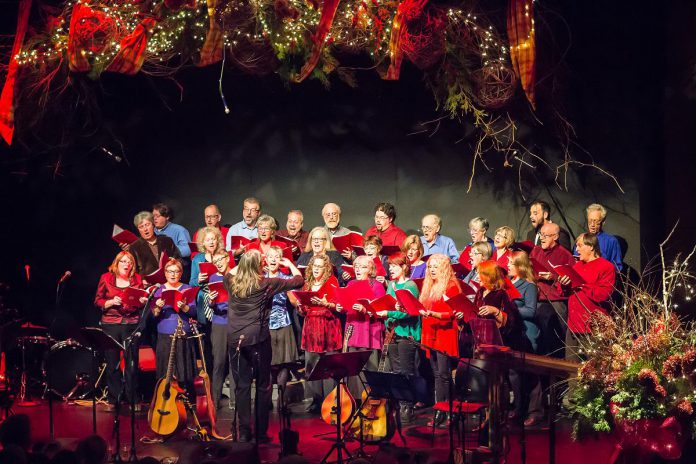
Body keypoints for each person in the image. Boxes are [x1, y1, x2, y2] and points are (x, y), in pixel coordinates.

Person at [225, 250, 304, 443]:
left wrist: (245, 260)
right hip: (258, 340)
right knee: (263, 385)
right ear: (259, 266)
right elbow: (298, 280)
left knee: (242, 386)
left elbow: (229, 271)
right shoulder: (266, 283)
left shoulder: (230, 281)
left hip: (235, 340)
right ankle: (260, 433)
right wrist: (288, 262)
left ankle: (244, 432)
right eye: (261, 262)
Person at [94, 251, 148, 411]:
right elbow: (97, 300)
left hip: (131, 323)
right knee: (112, 363)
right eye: (123, 261)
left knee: (131, 362)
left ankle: (133, 398)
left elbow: (140, 301)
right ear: (116, 264)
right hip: (111, 323)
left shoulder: (137, 279)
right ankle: (113, 399)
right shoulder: (106, 278)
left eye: (129, 262)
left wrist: (143, 301)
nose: (126, 264)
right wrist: (110, 302)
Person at [288, 254, 342, 412]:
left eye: (320, 266)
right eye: (315, 266)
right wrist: (300, 305)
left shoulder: (332, 282)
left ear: (326, 268)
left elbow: (338, 305)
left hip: (328, 328)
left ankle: (330, 400)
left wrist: (327, 303)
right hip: (311, 328)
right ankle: (316, 400)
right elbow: (304, 309)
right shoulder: (308, 283)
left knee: (328, 365)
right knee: (312, 365)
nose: (317, 269)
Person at [375, 252, 420, 423]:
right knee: (395, 370)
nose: (390, 269)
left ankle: (407, 406)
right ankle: (399, 405)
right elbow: (389, 305)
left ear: (404, 267)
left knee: (406, 371)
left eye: (394, 266)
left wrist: (389, 312)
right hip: (392, 333)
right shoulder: (391, 285)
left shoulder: (411, 286)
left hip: (406, 334)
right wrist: (385, 313)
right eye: (390, 266)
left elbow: (410, 312)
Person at [419, 254, 462, 426]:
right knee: (436, 374)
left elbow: (453, 313)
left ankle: (450, 412)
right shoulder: (430, 285)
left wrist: (435, 314)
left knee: (445, 375)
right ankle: (440, 410)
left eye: (436, 266)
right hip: (431, 331)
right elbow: (423, 306)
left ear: (444, 267)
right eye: (430, 267)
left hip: (444, 333)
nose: (432, 270)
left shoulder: (451, 285)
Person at [561, 233, 615, 363]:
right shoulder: (577, 266)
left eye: (579, 246)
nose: (576, 250)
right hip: (573, 326)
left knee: (594, 370)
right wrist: (565, 284)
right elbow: (566, 293)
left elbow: (603, 294)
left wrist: (582, 284)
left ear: (591, 246)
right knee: (571, 369)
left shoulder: (606, 267)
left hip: (592, 328)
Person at [338, 255, 387, 397]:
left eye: (363, 267)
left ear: (371, 270)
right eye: (356, 267)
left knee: (369, 367)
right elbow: (346, 304)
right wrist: (341, 307)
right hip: (353, 327)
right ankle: (354, 399)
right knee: (352, 366)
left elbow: (381, 310)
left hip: (369, 330)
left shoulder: (376, 285)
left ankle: (370, 400)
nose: (358, 269)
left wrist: (365, 309)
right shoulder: (351, 284)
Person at [152, 258, 198, 399]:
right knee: (165, 370)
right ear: (165, 273)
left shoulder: (186, 289)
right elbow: (153, 316)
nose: (173, 274)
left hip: (183, 333)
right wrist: (158, 307)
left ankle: (185, 400)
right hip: (165, 334)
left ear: (181, 273)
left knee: (184, 370)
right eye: (170, 271)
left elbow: (194, 312)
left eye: (176, 271)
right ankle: (165, 399)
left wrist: (184, 307)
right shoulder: (159, 290)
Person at [507, 251, 543, 426]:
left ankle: (535, 411)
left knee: (530, 373)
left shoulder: (528, 286)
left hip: (528, 332)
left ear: (520, 266)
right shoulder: (508, 284)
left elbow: (531, 311)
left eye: (510, 263)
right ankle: (519, 408)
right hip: (513, 332)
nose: (507, 266)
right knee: (513, 373)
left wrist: (510, 310)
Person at [529, 223, 575, 358]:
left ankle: (558, 362)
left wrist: (553, 276)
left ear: (555, 237)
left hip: (556, 300)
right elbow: (529, 270)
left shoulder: (565, 255)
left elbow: (572, 280)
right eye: (540, 235)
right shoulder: (536, 251)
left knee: (557, 334)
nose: (542, 238)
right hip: (537, 297)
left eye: (545, 235)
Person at [264, 246, 300, 411]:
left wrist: (288, 292)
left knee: (284, 363)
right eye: (270, 256)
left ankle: (282, 399)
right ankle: (267, 398)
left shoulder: (285, 278)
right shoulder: (260, 278)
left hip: (283, 323)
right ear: (265, 259)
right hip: (265, 325)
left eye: (276, 256)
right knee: (269, 363)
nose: (272, 259)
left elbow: (294, 301)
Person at [201, 251, 234, 410]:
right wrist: (211, 301)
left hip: (235, 322)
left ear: (228, 259)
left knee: (235, 361)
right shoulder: (213, 278)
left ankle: (236, 399)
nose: (219, 263)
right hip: (219, 322)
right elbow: (212, 305)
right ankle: (214, 399)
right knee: (219, 361)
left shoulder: (235, 275)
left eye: (221, 259)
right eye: (216, 261)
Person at [128, 211, 181, 280]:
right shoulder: (134, 247)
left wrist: (175, 261)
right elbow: (133, 272)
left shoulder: (167, 241)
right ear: (138, 229)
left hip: (169, 282)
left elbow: (179, 259)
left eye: (147, 224)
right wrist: (141, 281)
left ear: (153, 225)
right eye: (141, 227)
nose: (145, 229)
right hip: (148, 286)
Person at [575, 204, 623, 272]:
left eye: (596, 221)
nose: (592, 225)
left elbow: (617, 268)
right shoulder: (581, 239)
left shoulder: (611, 241)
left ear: (603, 222)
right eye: (590, 221)